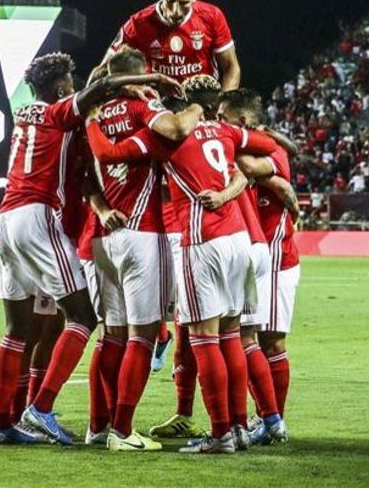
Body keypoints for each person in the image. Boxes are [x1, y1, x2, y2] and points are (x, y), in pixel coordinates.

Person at [0, 52, 180, 446]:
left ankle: (1, 424)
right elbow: (100, 89)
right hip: (38, 216)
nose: (75, 88)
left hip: (4, 220)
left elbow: (94, 89)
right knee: (83, 315)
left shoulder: (25, 114)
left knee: (17, 328)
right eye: (70, 83)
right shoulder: (59, 112)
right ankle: (40, 409)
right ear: (60, 88)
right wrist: (152, 78)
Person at [85, 74, 280, 454]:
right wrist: (235, 182)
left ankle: (221, 434)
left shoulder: (166, 138)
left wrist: (92, 118)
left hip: (201, 241)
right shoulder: (225, 131)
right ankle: (239, 426)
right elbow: (268, 144)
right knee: (232, 337)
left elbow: (107, 154)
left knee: (203, 339)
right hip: (239, 239)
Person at [84, 48, 204, 452]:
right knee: (143, 334)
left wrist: (100, 206)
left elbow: (90, 171)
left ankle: (98, 426)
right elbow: (173, 130)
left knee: (110, 336)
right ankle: (122, 430)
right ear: (137, 81)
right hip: (141, 232)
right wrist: (196, 108)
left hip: (103, 236)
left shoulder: (93, 113)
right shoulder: (140, 107)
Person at [218, 88, 299, 444]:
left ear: (244, 121)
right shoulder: (251, 145)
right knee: (245, 337)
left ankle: (272, 421)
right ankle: (266, 419)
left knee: (271, 341)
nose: (219, 123)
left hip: (276, 255)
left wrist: (270, 176)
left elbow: (253, 167)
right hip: (248, 253)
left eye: (225, 117)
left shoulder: (272, 150)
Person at [99, 0, 241, 90]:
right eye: (170, 1)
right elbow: (104, 70)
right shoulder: (137, 24)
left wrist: (222, 106)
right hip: (157, 103)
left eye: (184, 3)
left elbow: (231, 67)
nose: (176, 11)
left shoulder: (212, 16)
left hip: (201, 100)